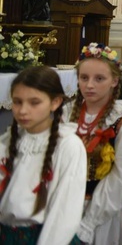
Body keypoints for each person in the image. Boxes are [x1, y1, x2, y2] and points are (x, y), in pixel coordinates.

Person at [0, 66, 86, 244]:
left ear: (55, 102)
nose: (23, 110)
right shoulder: (7, 141)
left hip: (44, 236)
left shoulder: (68, 146)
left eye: (34, 102)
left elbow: (64, 212)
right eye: (17, 102)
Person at [65, 43, 122, 244]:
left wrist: (90, 222)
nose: (89, 85)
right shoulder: (66, 113)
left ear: (114, 81)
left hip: (103, 215)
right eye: (84, 78)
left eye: (99, 79)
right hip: (64, 208)